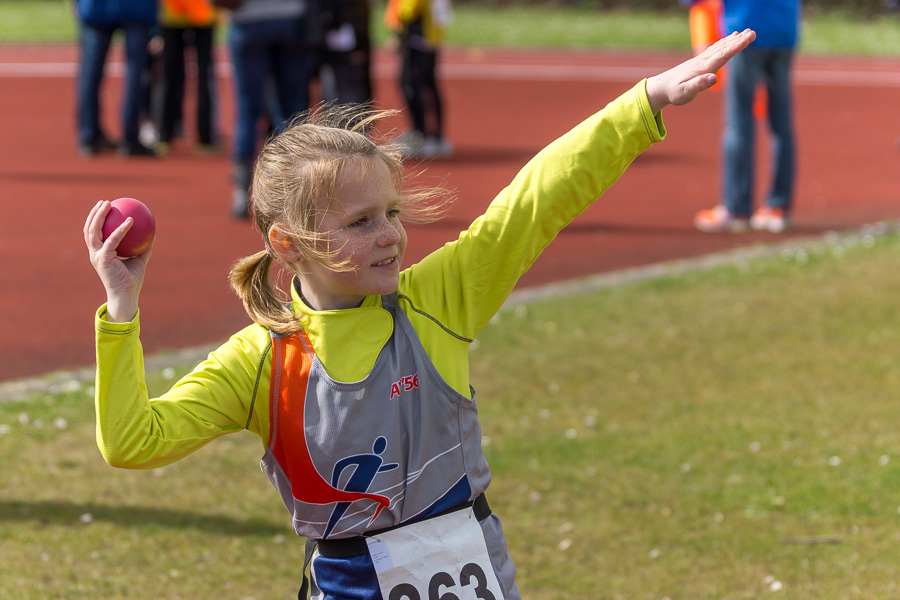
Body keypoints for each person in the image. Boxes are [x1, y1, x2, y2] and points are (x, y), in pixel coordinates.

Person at [83, 29, 755, 600]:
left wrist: (645, 103)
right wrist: (121, 309)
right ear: (287, 244)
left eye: (392, 213)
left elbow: (536, 199)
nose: (390, 235)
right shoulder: (261, 360)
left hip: (469, 567)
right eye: (361, 221)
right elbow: (133, 442)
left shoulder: (435, 301)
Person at [690, 0, 801, 233]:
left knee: (739, 122)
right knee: (781, 124)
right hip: (784, 30)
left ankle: (737, 208)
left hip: (744, 30)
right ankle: (777, 206)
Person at [224, 0, 316, 219]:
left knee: (248, 108)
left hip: (247, 20)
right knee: (291, 109)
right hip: (291, 17)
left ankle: (242, 188)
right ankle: (296, 188)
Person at [75, 0, 159, 157]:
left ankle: (88, 135)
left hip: (96, 7)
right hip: (136, 8)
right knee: (135, 70)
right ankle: (130, 136)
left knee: (90, 71)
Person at [386, 0, 453, 159]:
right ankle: (435, 136)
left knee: (411, 83)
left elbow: (409, 8)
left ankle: (420, 134)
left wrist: (400, 32)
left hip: (417, 33)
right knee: (428, 83)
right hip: (431, 32)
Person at [154, 0, 220, 156]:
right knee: (204, 79)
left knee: (170, 77)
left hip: (174, 12)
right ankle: (206, 139)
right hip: (201, 12)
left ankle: (164, 136)